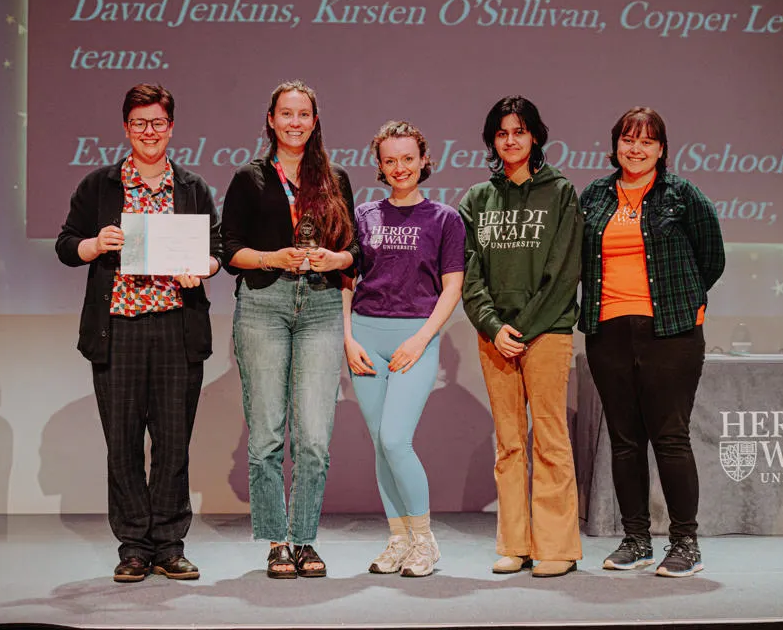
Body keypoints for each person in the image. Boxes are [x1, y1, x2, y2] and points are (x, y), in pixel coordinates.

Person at [56, 84, 223, 583]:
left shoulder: (191, 187)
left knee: (173, 441)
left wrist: (205, 267)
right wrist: (92, 244)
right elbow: (66, 244)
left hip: (176, 325)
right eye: (139, 124)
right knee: (123, 441)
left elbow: (216, 249)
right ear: (126, 127)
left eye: (157, 123)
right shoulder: (100, 186)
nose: (149, 132)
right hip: (118, 329)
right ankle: (133, 546)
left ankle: (169, 543)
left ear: (171, 128)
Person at [579, 107, 724, 578]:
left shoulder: (682, 195)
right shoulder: (596, 195)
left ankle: (685, 543)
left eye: (646, 141)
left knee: (670, 438)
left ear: (661, 149)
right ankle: (636, 539)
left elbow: (712, 257)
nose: (635, 149)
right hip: (608, 332)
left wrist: (687, 303)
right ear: (615, 143)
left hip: (671, 333)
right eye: (627, 139)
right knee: (624, 441)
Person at [220, 80, 357, 579]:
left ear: (314, 121)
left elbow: (356, 252)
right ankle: (277, 541)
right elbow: (227, 249)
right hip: (264, 303)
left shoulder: (335, 178)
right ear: (272, 120)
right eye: (287, 114)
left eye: (304, 115)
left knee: (315, 438)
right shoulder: (250, 178)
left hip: (320, 304)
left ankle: (305, 539)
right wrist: (272, 258)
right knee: (266, 438)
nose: (295, 122)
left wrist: (333, 257)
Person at [459, 96, 583, 578]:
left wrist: (524, 330)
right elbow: (469, 275)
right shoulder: (476, 200)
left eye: (520, 131)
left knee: (549, 438)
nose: (511, 141)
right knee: (509, 443)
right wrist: (494, 326)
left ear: (535, 136)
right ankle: (515, 543)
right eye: (502, 133)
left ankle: (557, 548)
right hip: (496, 337)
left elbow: (563, 269)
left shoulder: (561, 193)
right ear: (493, 140)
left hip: (546, 332)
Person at [343, 121, 465, 578]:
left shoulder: (445, 218)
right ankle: (399, 539)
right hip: (365, 336)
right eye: (390, 160)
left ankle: (425, 541)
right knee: (380, 444)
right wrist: (347, 337)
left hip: (416, 334)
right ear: (379, 165)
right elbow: (348, 280)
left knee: (396, 439)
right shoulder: (364, 215)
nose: (400, 168)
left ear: (423, 160)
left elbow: (452, 287)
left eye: (408, 159)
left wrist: (422, 338)